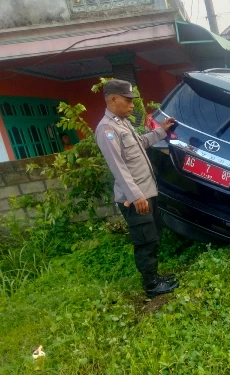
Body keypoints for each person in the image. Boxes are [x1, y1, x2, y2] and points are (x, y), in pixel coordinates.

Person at [95, 79, 179, 298]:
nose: (132, 105)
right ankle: (151, 286)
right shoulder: (107, 129)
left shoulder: (123, 123)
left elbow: (140, 143)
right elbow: (118, 167)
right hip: (135, 199)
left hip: (146, 193)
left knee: (154, 235)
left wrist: (161, 131)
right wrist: (136, 196)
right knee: (145, 241)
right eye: (128, 100)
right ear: (113, 99)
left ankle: (155, 276)